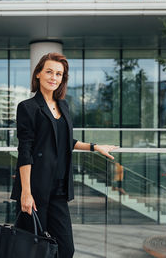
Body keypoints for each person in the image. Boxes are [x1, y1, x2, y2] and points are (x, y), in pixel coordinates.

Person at [10, 52, 118, 258]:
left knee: (66, 248)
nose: (54, 77)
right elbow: (25, 150)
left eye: (59, 74)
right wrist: (26, 192)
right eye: (49, 72)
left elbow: (66, 141)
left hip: (59, 190)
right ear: (38, 74)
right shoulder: (28, 107)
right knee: (32, 249)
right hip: (35, 190)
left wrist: (95, 147)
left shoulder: (64, 106)